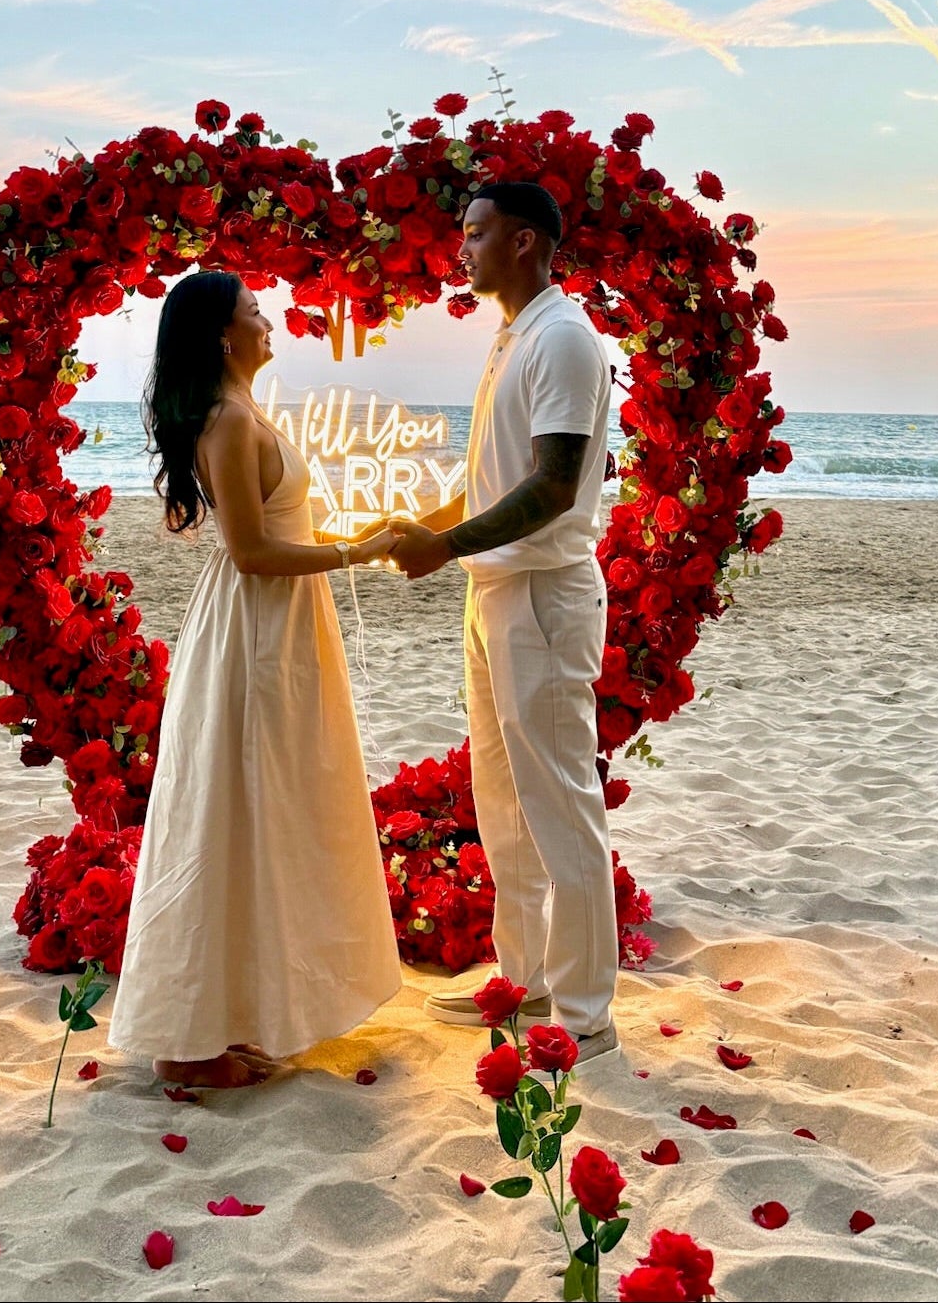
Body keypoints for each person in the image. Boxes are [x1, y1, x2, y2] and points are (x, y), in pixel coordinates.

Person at [108, 270, 403, 1089]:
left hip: (281, 624)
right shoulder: (230, 421)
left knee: (267, 810)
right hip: (256, 628)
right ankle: (188, 1041)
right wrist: (363, 551)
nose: (269, 321)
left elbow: (281, 527)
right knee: (236, 807)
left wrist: (354, 537)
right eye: (254, 313)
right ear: (221, 336)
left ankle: (234, 1012)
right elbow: (251, 552)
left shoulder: (246, 413)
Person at [388, 183, 619, 1066]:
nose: (464, 249)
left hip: (544, 595)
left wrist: (443, 544)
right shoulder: (512, 335)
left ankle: (587, 1014)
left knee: (561, 802)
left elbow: (554, 486)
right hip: (492, 593)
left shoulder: (562, 338)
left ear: (526, 242)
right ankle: (521, 982)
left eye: (477, 234)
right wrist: (428, 529)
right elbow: (496, 483)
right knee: (503, 802)